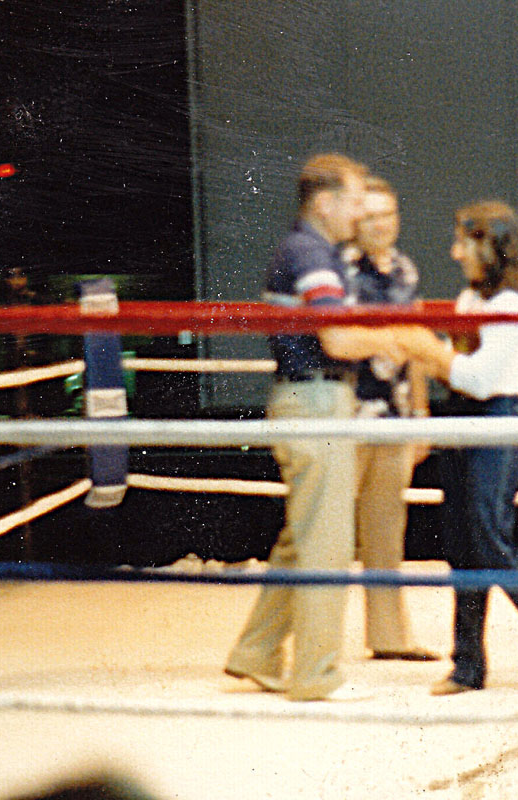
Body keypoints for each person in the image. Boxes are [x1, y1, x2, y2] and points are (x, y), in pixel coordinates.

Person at [341, 201, 518, 696]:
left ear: (489, 246)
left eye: (463, 242)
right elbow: (458, 370)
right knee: (462, 542)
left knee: (489, 536)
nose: (455, 253)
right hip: (462, 416)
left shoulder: (513, 305)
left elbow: (481, 379)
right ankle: (468, 664)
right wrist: (431, 354)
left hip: (496, 419)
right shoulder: (470, 300)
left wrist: (424, 347)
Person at [224, 152, 373, 702]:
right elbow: (338, 339)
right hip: (316, 401)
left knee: (302, 538)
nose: (360, 213)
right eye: (354, 201)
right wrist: (402, 338)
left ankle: (258, 651)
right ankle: (315, 674)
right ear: (326, 202)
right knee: (326, 544)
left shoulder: (308, 250)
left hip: (308, 399)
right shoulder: (312, 254)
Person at [348, 177, 438, 662]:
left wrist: (420, 414)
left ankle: (390, 637)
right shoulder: (338, 270)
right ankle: (302, 643)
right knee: (323, 532)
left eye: (389, 213)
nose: (381, 224)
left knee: (386, 529)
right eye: (371, 215)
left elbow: (416, 346)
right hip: (345, 415)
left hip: (394, 415)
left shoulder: (405, 269)